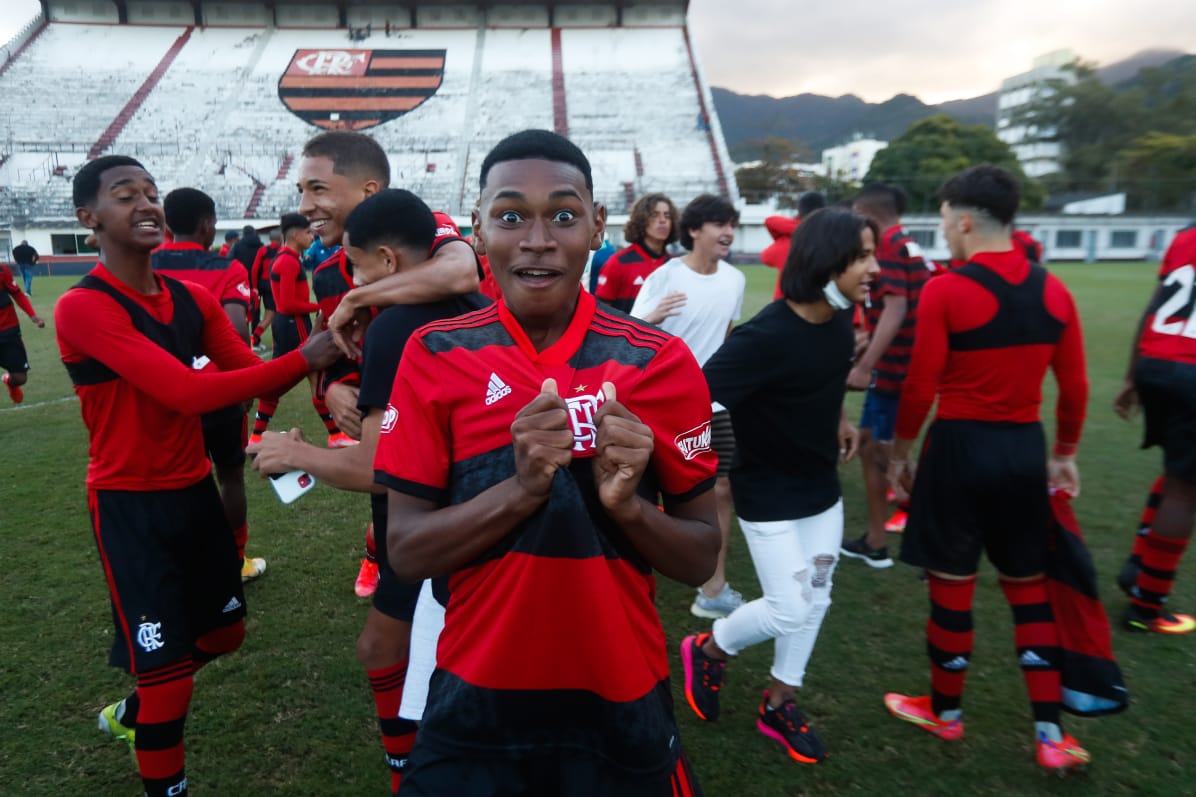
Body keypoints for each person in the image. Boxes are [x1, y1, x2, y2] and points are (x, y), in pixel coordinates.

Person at [376, 129, 717, 796]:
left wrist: (628, 507)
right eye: (510, 216)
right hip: (475, 700)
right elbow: (407, 552)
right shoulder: (434, 353)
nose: (537, 238)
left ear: (596, 227)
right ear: (477, 230)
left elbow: (701, 555)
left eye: (563, 214)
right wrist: (521, 489)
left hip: (621, 695)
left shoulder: (660, 362)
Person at [55, 155, 339, 797]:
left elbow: (243, 371)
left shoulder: (190, 298)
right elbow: (188, 393)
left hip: (192, 494)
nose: (148, 204)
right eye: (127, 195)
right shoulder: (82, 307)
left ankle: (133, 713)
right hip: (129, 505)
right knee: (169, 677)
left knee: (225, 634)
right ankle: (157, 746)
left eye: (152, 193)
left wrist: (324, 351)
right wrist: (303, 354)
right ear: (88, 218)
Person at [249, 189, 490, 794]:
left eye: (355, 267)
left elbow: (384, 469)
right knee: (404, 648)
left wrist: (295, 453)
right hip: (479, 516)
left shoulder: (399, 327)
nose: (349, 282)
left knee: (387, 650)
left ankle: (408, 770)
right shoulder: (482, 306)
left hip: (425, 529)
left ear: (385, 261)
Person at [883, 165, 1090, 774]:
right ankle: (1050, 736)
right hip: (1024, 450)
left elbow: (921, 385)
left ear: (965, 220)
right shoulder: (1055, 291)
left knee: (952, 586)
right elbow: (1073, 386)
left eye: (945, 221)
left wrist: (901, 453)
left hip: (959, 450)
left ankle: (944, 715)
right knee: (1029, 590)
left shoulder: (947, 289)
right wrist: (1066, 452)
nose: (944, 232)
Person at [680, 208, 875, 764]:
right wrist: (719, 458)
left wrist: (838, 419)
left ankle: (779, 701)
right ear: (827, 260)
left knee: (818, 597)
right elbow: (699, 396)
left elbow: (829, 377)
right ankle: (709, 649)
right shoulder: (767, 335)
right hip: (767, 494)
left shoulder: (840, 320)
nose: (873, 267)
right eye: (862, 256)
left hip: (821, 490)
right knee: (790, 607)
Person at [292, 128, 479, 597]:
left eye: (318, 189)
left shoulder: (423, 224)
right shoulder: (331, 269)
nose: (305, 207)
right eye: (302, 191)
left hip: (463, 435)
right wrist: (331, 387)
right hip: (392, 441)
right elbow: (327, 343)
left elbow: (461, 270)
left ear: (367, 190)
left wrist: (360, 295)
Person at [631, 194, 746, 620]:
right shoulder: (665, 277)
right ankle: (629, 578)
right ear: (695, 230)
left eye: (732, 224)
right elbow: (628, 339)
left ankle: (712, 589)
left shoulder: (734, 279)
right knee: (640, 494)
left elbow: (726, 335)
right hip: (660, 405)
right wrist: (651, 318)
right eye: (719, 223)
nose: (728, 232)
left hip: (712, 403)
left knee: (720, 490)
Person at [152, 187, 266, 583]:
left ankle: (177, 566)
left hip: (160, 394)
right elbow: (234, 332)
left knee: (171, 482)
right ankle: (234, 561)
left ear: (167, 224)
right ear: (207, 224)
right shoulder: (226, 269)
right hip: (217, 394)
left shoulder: (143, 266)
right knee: (230, 475)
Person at [1112, 223, 1196, 634]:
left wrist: (1131, 376)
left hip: (1156, 362)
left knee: (1179, 471)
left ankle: (1138, 567)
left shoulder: (1186, 236)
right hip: (1192, 368)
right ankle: (1147, 607)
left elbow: (1154, 305)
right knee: (1186, 490)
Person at [841, 183, 929, 567]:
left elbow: (896, 307)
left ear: (867, 212)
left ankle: (886, 543)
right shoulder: (907, 242)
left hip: (894, 374)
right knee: (871, 446)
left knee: (882, 455)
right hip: (905, 368)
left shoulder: (889, 245)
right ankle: (891, 536)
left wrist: (865, 364)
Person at [248, 214, 349, 447]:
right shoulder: (287, 261)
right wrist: (320, 306)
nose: (312, 236)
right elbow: (285, 305)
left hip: (289, 325)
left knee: (290, 380)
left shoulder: (288, 258)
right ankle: (336, 435)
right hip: (295, 324)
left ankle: (256, 435)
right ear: (295, 235)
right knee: (315, 376)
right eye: (308, 233)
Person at [593, 193, 678, 311]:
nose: (663, 220)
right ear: (641, 220)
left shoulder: (675, 265)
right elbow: (602, 310)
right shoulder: (618, 262)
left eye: (667, 216)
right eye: (655, 215)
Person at [760, 191, 826, 300]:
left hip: (784, 303)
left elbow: (766, 257)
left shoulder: (788, 242)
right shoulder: (829, 238)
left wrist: (797, 229)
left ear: (799, 211)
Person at [0, 261, 44, 403]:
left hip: (8, 330)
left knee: (20, 378)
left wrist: (33, 316)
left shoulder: (2, 270)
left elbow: (17, 294)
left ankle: (10, 383)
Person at [249, 228, 282, 351]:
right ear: (280, 239)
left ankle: (273, 343)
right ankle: (254, 339)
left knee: (273, 315)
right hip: (274, 285)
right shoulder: (281, 251)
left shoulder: (263, 250)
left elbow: (255, 269)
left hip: (262, 284)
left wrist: (255, 287)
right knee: (271, 315)